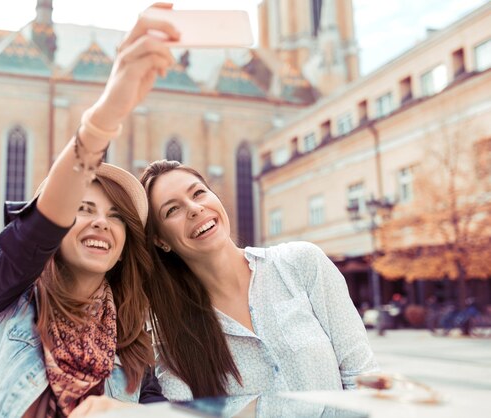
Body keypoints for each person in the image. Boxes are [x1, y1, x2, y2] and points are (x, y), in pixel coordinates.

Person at [0, 7, 179, 417]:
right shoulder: (9, 294)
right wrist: (107, 115)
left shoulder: (133, 348)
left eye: (116, 216)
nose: (102, 221)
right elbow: (37, 231)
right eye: (83, 209)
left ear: (125, 247)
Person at [140, 160, 379, 401]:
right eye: (172, 210)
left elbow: (362, 377)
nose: (194, 208)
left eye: (199, 193)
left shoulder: (301, 262)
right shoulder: (171, 325)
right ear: (161, 241)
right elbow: (185, 412)